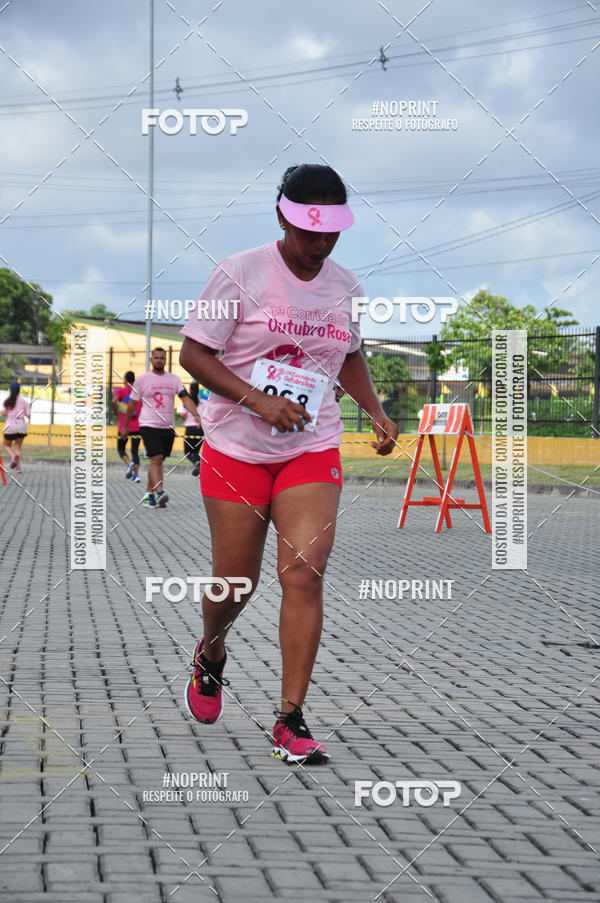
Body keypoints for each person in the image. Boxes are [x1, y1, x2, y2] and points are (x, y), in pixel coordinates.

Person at [179, 163, 398, 764]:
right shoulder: (240, 273)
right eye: (308, 232)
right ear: (283, 215)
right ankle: (212, 652)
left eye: (330, 235)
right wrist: (258, 400)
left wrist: (374, 412)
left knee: (303, 571)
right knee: (236, 581)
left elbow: (348, 356)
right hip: (236, 448)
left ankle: (290, 719)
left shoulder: (346, 288)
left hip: (309, 446)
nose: (318, 246)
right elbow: (194, 354)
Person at [120, 348, 202, 508]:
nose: (159, 360)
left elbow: (185, 398)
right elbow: (131, 405)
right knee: (156, 459)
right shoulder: (142, 380)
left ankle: (148, 494)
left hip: (168, 427)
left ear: (166, 360)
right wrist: (125, 427)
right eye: (156, 357)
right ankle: (160, 493)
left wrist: (195, 413)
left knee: (157, 461)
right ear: (151, 360)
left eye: (162, 358)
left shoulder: (174, 379)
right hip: (148, 425)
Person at [112, 371, 142, 483]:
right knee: (135, 451)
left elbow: (114, 401)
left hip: (124, 427)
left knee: (121, 449)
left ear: (125, 380)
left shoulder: (121, 391)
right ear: (134, 380)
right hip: (137, 427)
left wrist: (116, 412)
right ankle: (136, 476)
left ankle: (129, 463)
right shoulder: (138, 392)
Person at [2, 382, 31, 474]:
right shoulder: (24, 401)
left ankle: (13, 456)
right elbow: (29, 415)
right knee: (18, 447)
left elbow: (3, 413)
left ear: (10, 390)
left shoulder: (7, 401)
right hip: (21, 426)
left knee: (6, 445)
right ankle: (18, 469)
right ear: (19, 390)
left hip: (10, 426)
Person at [178, 381, 206, 477]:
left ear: (190, 389)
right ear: (198, 391)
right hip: (200, 430)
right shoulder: (203, 402)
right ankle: (200, 468)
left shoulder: (186, 402)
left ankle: (197, 463)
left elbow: (183, 415)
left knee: (187, 452)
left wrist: (183, 418)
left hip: (190, 429)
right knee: (195, 452)